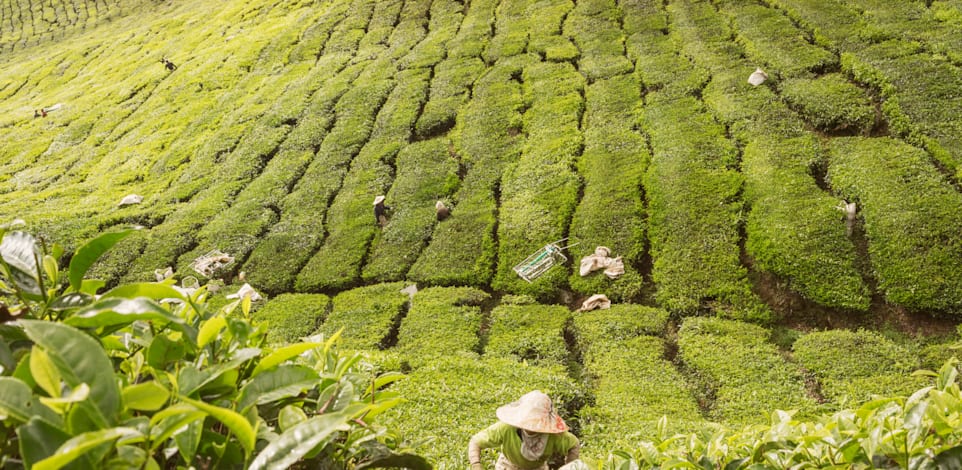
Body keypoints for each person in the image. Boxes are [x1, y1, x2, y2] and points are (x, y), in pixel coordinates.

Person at [468, 390, 580, 470]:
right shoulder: (506, 428)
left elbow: (573, 445)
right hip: (508, 466)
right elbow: (476, 442)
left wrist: (569, 465)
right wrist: (476, 465)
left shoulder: (554, 435)